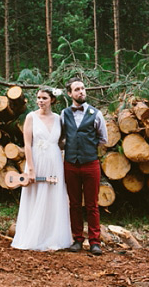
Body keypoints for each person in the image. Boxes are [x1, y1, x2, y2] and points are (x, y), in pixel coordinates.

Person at [11, 88, 72, 251]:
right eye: (38, 98)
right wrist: (30, 168)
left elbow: (61, 142)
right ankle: (32, 236)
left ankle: (51, 237)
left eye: (44, 98)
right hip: (37, 160)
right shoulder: (31, 117)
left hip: (54, 161)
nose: (40, 101)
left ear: (52, 100)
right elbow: (27, 145)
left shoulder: (59, 119)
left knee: (53, 197)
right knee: (35, 196)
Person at [61, 77, 108, 255]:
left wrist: (87, 147)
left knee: (92, 205)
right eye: (77, 89)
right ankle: (77, 239)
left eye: (82, 88)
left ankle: (95, 241)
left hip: (90, 164)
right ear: (70, 93)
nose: (81, 92)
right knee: (73, 204)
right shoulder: (64, 114)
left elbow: (104, 139)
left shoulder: (96, 114)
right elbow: (62, 138)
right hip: (71, 164)